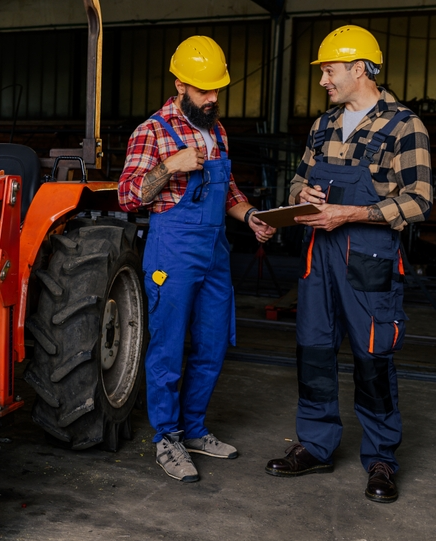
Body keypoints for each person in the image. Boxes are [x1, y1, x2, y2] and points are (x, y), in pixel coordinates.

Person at [264, 25, 432, 504]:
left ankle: (381, 457)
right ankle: (315, 445)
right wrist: (303, 195)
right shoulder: (322, 126)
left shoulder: (404, 126)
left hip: (370, 258)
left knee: (372, 357)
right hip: (319, 257)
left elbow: (420, 201)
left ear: (359, 69)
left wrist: (352, 213)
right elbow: (296, 183)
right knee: (313, 352)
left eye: (329, 70)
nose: (322, 80)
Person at [118, 35, 275, 483]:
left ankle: (193, 429)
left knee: (212, 343)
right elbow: (128, 196)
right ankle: (166, 437)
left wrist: (251, 217)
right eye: (204, 89)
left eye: (216, 89)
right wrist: (169, 167)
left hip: (215, 252)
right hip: (173, 251)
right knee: (168, 348)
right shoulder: (152, 131)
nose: (213, 98)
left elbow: (227, 191)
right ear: (180, 84)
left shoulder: (217, 129)